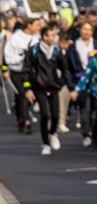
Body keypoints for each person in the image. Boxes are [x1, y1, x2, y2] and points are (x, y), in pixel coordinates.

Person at [23, 24, 68, 155]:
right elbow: (26, 71)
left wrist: (71, 88)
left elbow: (64, 69)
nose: (55, 37)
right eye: (52, 35)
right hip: (39, 86)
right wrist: (28, 89)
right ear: (45, 36)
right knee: (44, 114)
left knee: (55, 115)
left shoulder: (57, 50)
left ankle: (53, 133)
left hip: (53, 86)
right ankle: (46, 143)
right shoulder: (34, 50)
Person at [3, 16, 39, 133]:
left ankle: (20, 117)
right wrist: (20, 59)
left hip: (29, 73)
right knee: (22, 94)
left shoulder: (36, 38)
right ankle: (26, 121)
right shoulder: (16, 37)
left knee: (24, 97)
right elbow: (7, 56)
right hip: (17, 71)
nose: (38, 27)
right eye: (36, 25)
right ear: (29, 25)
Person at [67, 20, 97, 145]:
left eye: (89, 29)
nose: (86, 32)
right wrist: (72, 85)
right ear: (80, 30)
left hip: (96, 81)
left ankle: (92, 131)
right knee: (84, 107)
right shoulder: (74, 46)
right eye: (84, 29)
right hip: (80, 80)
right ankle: (86, 134)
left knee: (95, 110)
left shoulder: (96, 44)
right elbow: (69, 66)